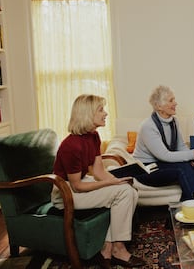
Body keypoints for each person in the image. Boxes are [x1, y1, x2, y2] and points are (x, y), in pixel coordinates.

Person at [51, 94, 144, 269]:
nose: (106, 113)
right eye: (101, 110)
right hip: (65, 192)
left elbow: (99, 171)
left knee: (129, 189)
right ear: (87, 114)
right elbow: (77, 186)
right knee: (123, 191)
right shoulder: (71, 146)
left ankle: (108, 247)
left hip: (79, 184)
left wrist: (118, 180)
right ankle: (119, 249)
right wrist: (111, 184)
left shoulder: (93, 136)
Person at [132, 85, 194, 201]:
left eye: (174, 99)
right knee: (183, 169)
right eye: (171, 100)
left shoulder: (174, 121)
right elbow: (164, 155)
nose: (176, 103)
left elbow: (180, 146)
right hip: (146, 169)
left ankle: (185, 209)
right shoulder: (148, 126)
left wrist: (192, 159)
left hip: (162, 164)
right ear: (159, 106)